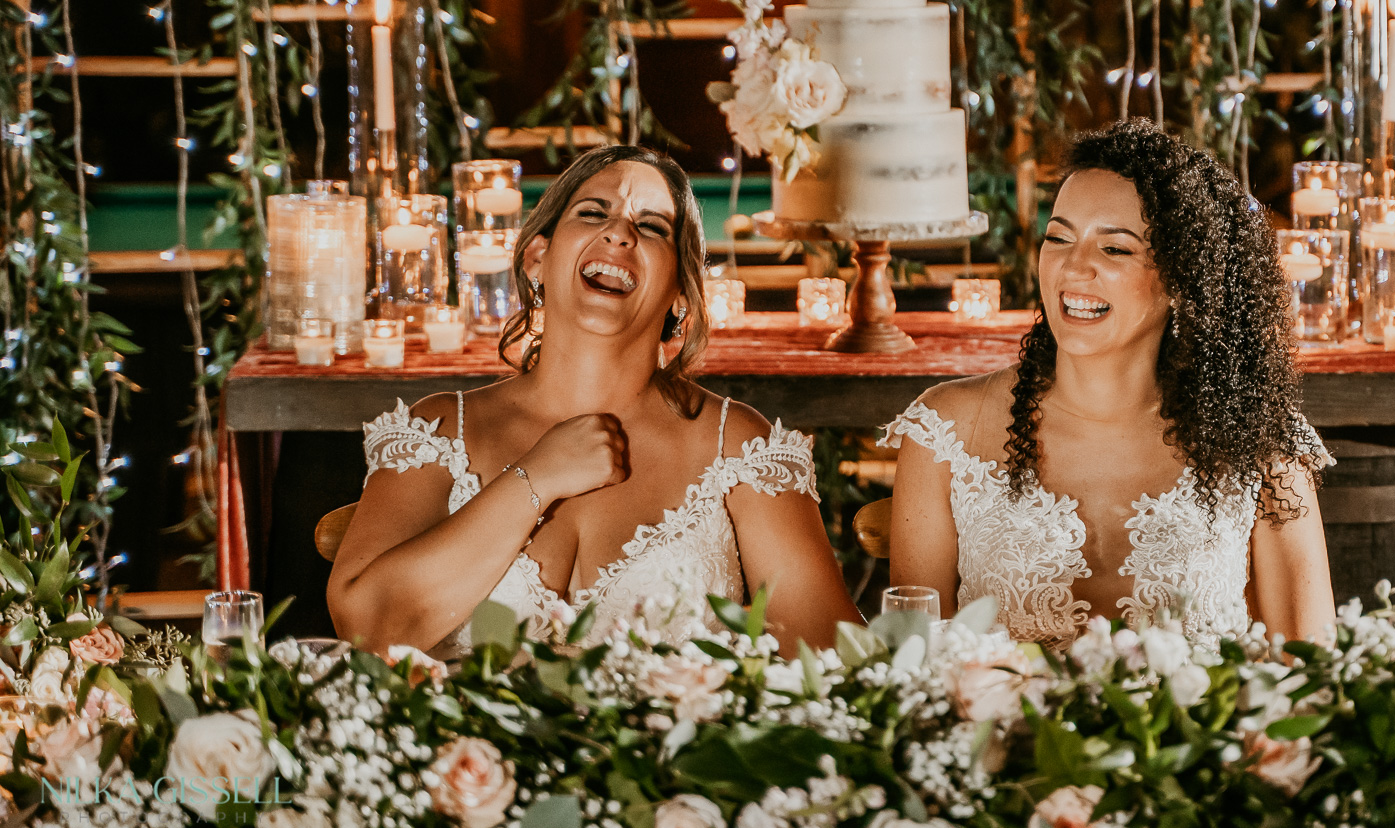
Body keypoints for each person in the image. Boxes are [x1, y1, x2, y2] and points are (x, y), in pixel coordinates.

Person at [328, 146, 861, 659]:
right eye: (593, 212)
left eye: (652, 227)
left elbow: (834, 663)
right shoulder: (438, 428)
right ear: (539, 257)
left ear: (681, 289)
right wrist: (536, 478)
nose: (620, 232)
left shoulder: (738, 446)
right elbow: (367, 626)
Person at [887, 119, 1335, 650]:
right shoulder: (945, 430)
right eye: (1058, 238)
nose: (1074, 267)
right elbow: (911, 660)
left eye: (1115, 249)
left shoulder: (1260, 439)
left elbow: (1307, 665)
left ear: (1183, 280)